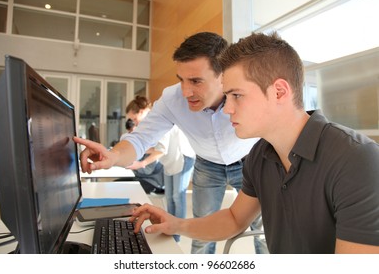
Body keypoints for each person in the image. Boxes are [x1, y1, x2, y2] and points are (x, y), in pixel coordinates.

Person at [129, 32, 379, 254]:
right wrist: (176, 224)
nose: (227, 109)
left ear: (279, 92)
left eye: (237, 95)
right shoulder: (260, 154)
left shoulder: (357, 159)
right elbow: (234, 218)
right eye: (227, 96)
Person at [74, 32, 265, 254]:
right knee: (201, 232)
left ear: (222, 75)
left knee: (263, 229)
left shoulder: (245, 92)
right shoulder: (172, 99)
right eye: (180, 80)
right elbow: (140, 138)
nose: (185, 92)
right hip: (207, 164)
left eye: (195, 81)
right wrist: (114, 156)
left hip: (249, 161)